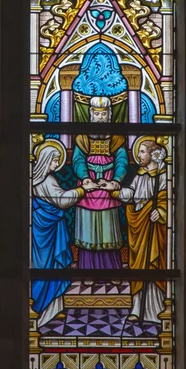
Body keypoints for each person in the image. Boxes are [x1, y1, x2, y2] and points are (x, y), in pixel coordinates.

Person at [31, 140, 88, 326]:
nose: (57, 164)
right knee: (49, 266)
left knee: (48, 267)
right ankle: (42, 308)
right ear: (46, 160)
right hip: (48, 230)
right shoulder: (47, 180)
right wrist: (82, 190)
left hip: (42, 228)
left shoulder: (36, 179)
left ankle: (51, 308)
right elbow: (62, 201)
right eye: (55, 161)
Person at [72, 96, 128, 279]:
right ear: (91, 115)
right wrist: (86, 178)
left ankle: (112, 272)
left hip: (108, 187)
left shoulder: (117, 138)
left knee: (108, 230)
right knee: (88, 230)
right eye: (97, 114)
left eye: (104, 114)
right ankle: (86, 273)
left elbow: (122, 161)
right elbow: (78, 160)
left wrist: (116, 181)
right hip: (88, 187)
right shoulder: (81, 138)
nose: (100, 118)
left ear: (109, 115)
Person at [113, 138, 167, 323]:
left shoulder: (163, 175)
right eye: (139, 151)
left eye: (143, 151)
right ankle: (137, 307)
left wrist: (160, 211)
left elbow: (166, 199)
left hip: (155, 227)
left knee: (154, 264)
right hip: (139, 227)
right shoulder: (140, 174)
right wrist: (116, 191)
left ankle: (157, 308)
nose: (139, 155)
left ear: (153, 154)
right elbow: (131, 194)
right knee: (137, 267)